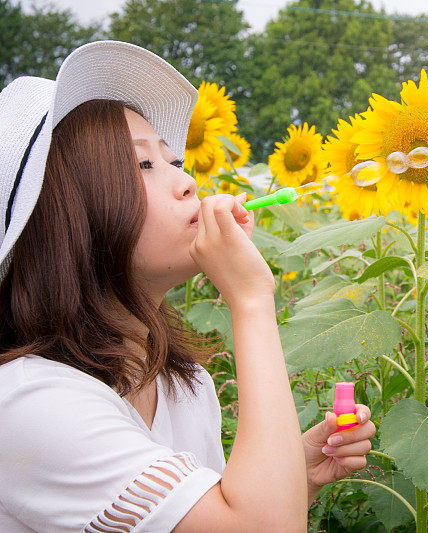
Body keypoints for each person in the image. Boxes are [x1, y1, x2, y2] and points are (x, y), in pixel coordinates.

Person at [0, 40, 375, 532]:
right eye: (143, 165)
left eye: (176, 163)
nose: (188, 184)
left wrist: (292, 474)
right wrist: (250, 299)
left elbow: (217, 519)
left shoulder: (184, 383)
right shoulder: (28, 403)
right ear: (67, 216)